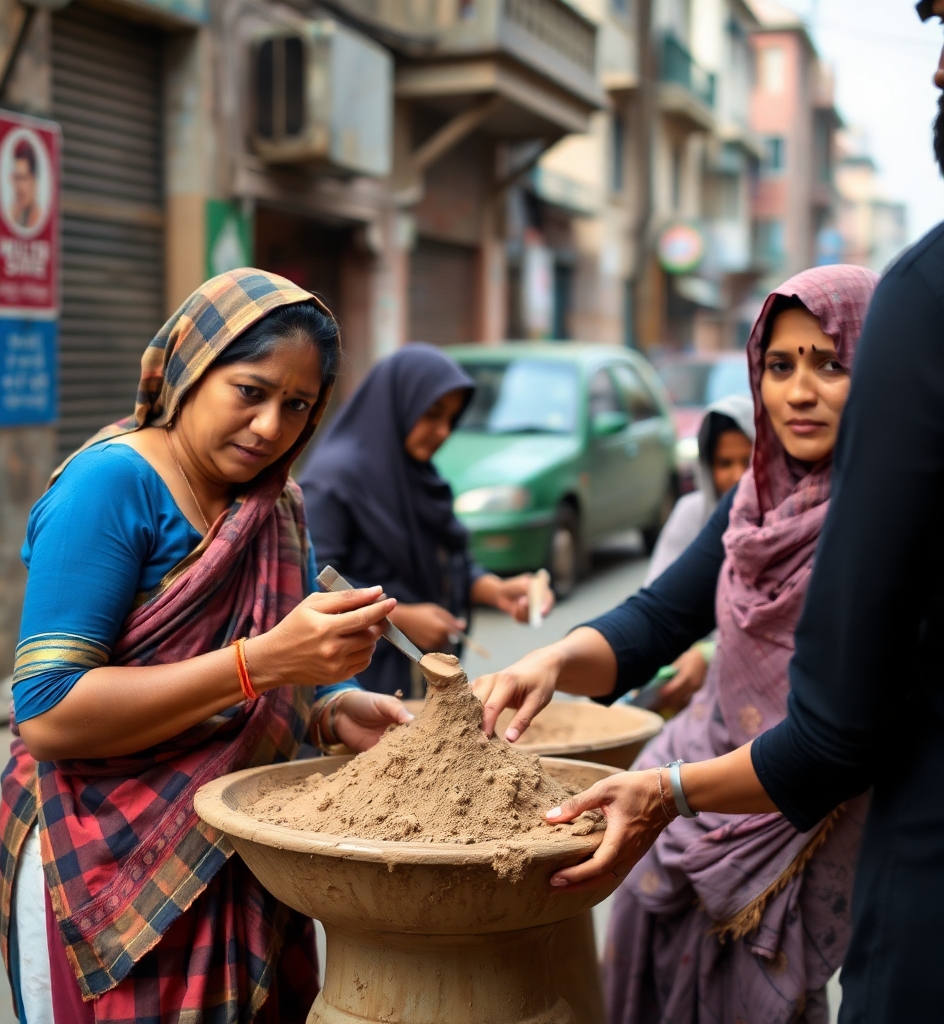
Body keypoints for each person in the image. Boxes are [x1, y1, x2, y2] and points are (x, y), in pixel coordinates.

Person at [0, 269, 411, 1024]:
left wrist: (331, 709)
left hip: (238, 849)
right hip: (99, 861)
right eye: (249, 391)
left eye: (297, 406)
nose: (268, 428)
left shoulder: (274, 502)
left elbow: (274, 678)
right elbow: (49, 715)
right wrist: (265, 663)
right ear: (191, 370)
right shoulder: (111, 486)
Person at [473, 264, 879, 1023]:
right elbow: (659, 619)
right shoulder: (755, 497)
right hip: (698, 789)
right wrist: (555, 660)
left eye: (832, 364)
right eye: (778, 366)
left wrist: (669, 793)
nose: (798, 392)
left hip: (809, 808)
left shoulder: (892, 514)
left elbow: (833, 747)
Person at [299, 343, 554, 696]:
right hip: (359, 687)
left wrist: (496, 591)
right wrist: (398, 617)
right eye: (432, 414)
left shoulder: (416, 473)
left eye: (452, 418)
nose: (444, 431)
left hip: (421, 683)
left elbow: (444, 559)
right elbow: (314, 581)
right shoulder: (334, 479)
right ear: (398, 404)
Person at [637, 395, 754, 712]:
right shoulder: (692, 514)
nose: (737, 477)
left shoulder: (785, 529)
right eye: (724, 463)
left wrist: (711, 656)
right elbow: (657, 606)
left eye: (749, 462)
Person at [9, 139, 42, 230]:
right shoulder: (14, 216)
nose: (20, 187)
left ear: (34, 181)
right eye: (17, 178)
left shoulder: (39, 219)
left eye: (24, 178)